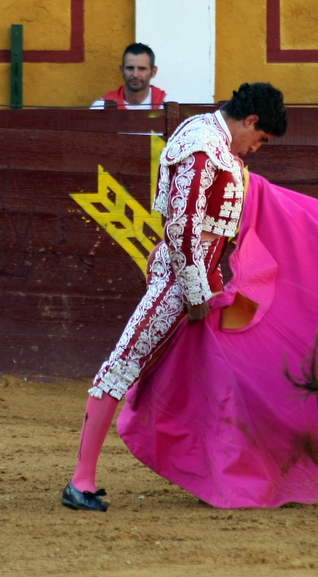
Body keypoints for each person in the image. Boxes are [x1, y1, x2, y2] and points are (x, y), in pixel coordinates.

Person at [62, 82, 288, 511]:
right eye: (259, 139)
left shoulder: (213, 141)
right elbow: (182, 226)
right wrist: (196, 292)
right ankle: (80, 481)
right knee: (122, 364)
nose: (255, 149)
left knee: (215, 374)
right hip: (181, 282)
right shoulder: (203, 144)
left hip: (201, 277)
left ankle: (222, 474)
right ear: (251, 121)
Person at [90, 43, 178, 109]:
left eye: (142, 69)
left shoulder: (171, 105)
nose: (135, 74)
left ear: (153, 72)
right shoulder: (102, 106)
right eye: (130, 68)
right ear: (121, 70)